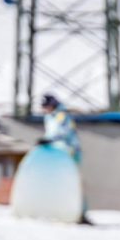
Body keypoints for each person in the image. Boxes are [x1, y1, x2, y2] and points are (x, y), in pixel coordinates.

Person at [40, 93, 92, 225]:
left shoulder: (62, 115)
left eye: (47, 106)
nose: (45, 109)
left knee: (73, 182)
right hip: (58, 153)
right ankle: (61, 211)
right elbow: (50, 133)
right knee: (58, 183)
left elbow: (64, 132)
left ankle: (81, 213)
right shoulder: (49, 117)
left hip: (70, 152)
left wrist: (49, 140)